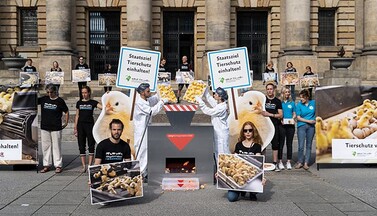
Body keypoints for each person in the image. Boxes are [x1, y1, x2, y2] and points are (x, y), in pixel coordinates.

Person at [134, 83, 167, 176]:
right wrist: (162, 102)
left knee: (147, 150)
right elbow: (152, 111)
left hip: (146, 128)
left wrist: (162, 89)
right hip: (141, 130)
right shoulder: (139, 102)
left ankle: (145, 171)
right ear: (142, 93)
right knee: (142, 151)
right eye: (148, 91)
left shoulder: (146, 100)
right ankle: (141, 173)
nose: (150, 92)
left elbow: (154, 99)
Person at [227, 121, 265, 202]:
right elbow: (233, 160)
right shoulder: (238, 145)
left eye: (250, 130)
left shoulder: (257, 146)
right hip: (238, 175)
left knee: (257, 186)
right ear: (243, 132)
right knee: (231, 198)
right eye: (245, 130)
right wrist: (220, 173)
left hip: (251, 174)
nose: (248, 132)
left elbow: (258, 162)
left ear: (253, 131)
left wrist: (262, 177)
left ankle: (252, 192)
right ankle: (241, 190)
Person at [38, 84, 69, 173]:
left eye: (51, 92)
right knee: (45, 146)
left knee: (56, 146)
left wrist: (66, 122)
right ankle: (46, 164)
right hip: (45, 126)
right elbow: (33, 100)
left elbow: (66, 111)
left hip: (56, 127)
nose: (49, 94)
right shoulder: (44, 99)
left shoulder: (59, 101)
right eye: (48, 92)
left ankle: (58, 165)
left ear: (55, 91)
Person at [195, 87, 230, 163]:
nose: (214, 95)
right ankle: (219, 172)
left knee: (222, 155)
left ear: (220, 97)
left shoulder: (221, 108)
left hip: (221, 134)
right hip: (218, 133)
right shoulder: (220, 104)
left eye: (216, 94)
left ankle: (223, 173)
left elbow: (208, 111)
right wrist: (205, 91)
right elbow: (212, 101)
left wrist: (200, 101)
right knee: (217, 154)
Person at [74, 86, 102, 172]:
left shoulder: (92, 102)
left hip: (90, 126)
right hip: (80, 126)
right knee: (81, 145)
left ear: (89, 93)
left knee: (91, 145)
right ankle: (83, 166)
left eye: (85, 92)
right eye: (82, 93)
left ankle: (90, 165)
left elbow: (102, 107)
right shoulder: (79, 103)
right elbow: (77, 115)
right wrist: (75, 128)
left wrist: (106, 96)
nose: (84, 94)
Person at [261, 82, 283, 171]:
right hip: (264, 126)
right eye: (268, 89)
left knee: (275, 145)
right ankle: (261, 163)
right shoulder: (263, 100)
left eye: (271, 89)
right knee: (263, 145)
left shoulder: (277, 101)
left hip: (274, 126)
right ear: (266, 90)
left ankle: (275, 163)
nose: (269, 91)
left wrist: (270, 114)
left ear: (274, 90)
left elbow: (281, 115)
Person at [295, 89, 316, 170]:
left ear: (307, 97)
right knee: (301, 145)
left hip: (311, 127)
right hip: (302, 126)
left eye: (302, 98)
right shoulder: (299, 105)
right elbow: (298, 117)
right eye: (300, 97)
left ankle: (306, 162)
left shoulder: (313, 103)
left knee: (309, 145)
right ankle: (300, 161)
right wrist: (308, 121)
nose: (301, 99)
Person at [278, 86, 296, 170]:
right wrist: (280, 119)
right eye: (286, 92)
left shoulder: (292, 103)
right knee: (281, 144)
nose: (287, 93)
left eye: (288, 92)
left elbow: (294, 113)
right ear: (282, 93)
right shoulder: (280, 102)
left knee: (289, 144)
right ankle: (280, 161)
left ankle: (288, 161)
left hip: (290, 125)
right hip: (282, 124)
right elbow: (278, 113)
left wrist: (293, 118)